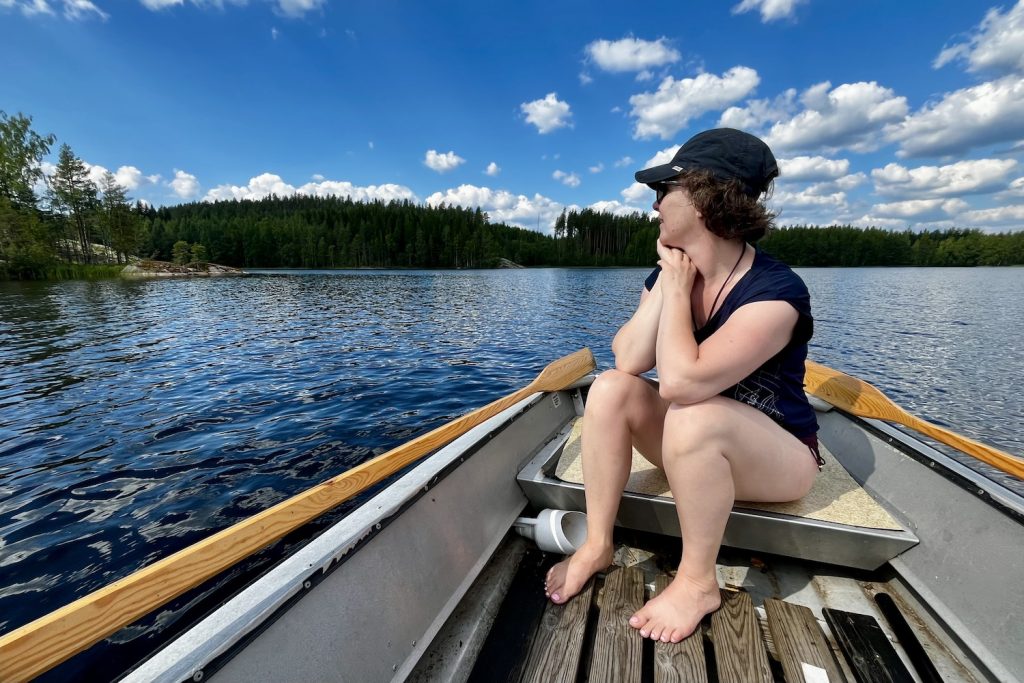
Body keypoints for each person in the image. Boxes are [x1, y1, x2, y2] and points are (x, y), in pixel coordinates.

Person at [543, 128, 823, 643]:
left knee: (694, 412)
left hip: (780, 458)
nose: (653, 205)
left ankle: (697, 582)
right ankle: (597, 542)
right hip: (698, 438)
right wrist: (669, 287)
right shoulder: (672, 273)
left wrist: (674, 292)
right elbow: (628, 358)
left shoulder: (776, 292)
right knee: (609, 388)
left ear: (702, 195)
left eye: (662, 191)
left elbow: (680, 384)